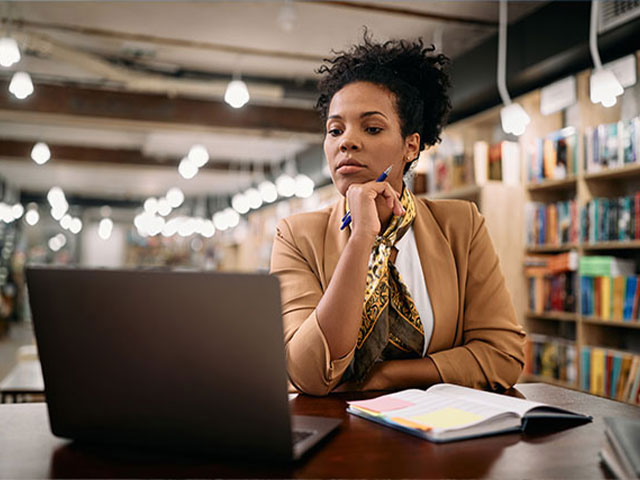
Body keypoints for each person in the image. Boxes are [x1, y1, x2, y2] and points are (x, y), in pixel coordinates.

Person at [270, 34, 526, 396]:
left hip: (442, 436)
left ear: (411, 145)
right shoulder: (296, 235)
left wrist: (387, 376)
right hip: (338, 440)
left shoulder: (461, 225)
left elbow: (503, 355)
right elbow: (309, 373)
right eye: (335, 129)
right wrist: (361, 240)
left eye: (372, 128)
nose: (346, 141)